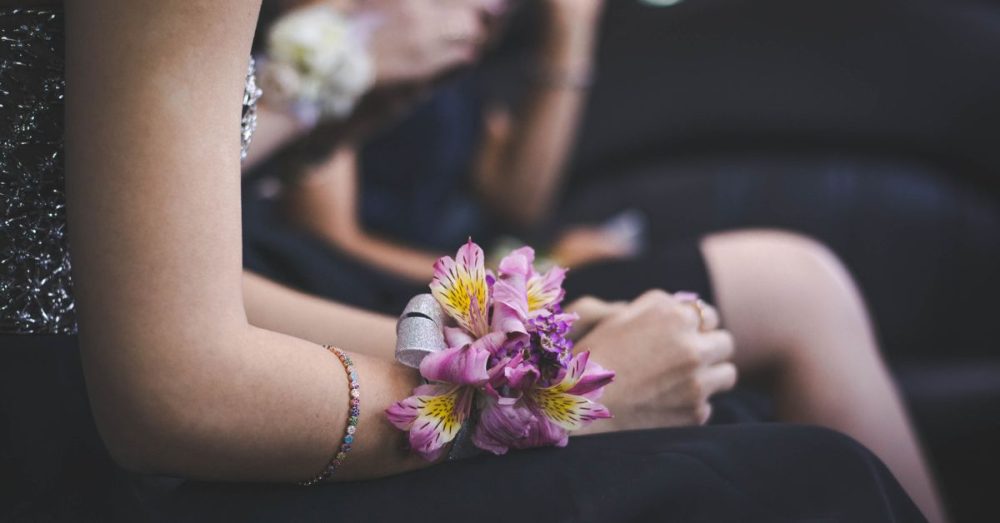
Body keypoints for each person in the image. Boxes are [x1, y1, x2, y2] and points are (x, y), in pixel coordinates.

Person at [0, 1, 926, 521]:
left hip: (85, 393)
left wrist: (535, 351)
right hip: (65, 462)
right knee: (810, 476)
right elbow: (176, 394)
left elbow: (187, 292)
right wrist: (557, 404)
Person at [266, 2, 947, 520]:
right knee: (797, 290)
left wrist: (571, 35)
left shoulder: (464, 30)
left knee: (797, 294)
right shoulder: (355, 26)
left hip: (475, 278)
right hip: (401, 285)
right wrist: (508, 311)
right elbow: (325, 233)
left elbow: (515, 196)